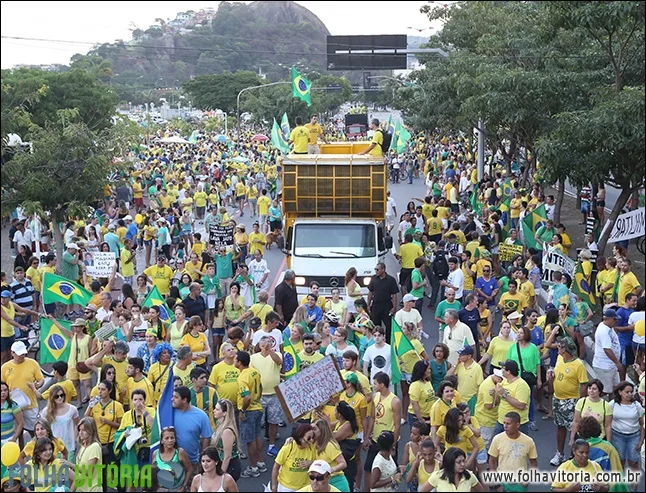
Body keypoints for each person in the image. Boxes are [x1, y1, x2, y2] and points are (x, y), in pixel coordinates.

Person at [547, 337, 588, 467]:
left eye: (560, 346)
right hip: (558, 399)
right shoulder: (559, 359)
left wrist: (580, 403)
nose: (557, 347)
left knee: (574, 430)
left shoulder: (578, 365)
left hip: (572, 401)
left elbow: (583, 385)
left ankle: (572, 456)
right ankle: (560, 453)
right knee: (560, 426)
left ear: (565, 349)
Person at [363, 373, 401, 492]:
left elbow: (397, 424)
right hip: (375, 440)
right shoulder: (375, 396)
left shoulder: (394, 401)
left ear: (382, 385)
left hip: (388, 441)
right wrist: (367, 437)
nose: (373, 385)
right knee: (368, 468)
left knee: (391, 470)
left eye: (375, 383)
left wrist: (393, 444)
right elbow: (373, 418)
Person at [1, 341, 44, 436]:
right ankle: (21, 449)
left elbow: (41, 379)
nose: (22, 356)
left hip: (30, 404)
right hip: (12, 405)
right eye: (19, 354)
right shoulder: (5, 367)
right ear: (12, 353)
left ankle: (36, 448)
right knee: (18, 431)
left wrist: (38, 385)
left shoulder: (32, 363)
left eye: (23, 354)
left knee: (35, 430)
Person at [488, 411, 538, 493]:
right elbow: (492, 461)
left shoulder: (528, 441)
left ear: (517, 425)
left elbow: (533, 463)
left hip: (520, 484)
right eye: (504, 423)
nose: (505, 426)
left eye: (508, 423)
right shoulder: (497, 439)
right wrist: (496, 484)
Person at [251, 335, 283, 458]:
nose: (267, 345)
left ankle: (271, 445)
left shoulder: (277, 355)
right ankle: (257, 445)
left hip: (274, 394)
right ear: (259, 345)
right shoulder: (253, 358)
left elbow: (279, 362)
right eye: (264, 343)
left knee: (274, 421)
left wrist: (269, 351)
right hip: (259, 395)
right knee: (258, 421)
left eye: (269, 343)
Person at [236, 351, 266, 478]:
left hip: (249, 411)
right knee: (257, 435)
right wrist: (257, 400)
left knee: (250, 440)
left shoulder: (242, 377)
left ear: (240, 362)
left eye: (236, 359)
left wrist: (242, 411)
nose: (234, 361)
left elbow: (246, 397)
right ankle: (260, 462)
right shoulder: (255, 371)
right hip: (258, 407)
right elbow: (260, 388)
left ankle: (253, 468)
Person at [609, 381, 644, 488]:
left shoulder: (637, 405)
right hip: (618, 436)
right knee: (620, 462)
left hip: (634, 436)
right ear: (620, 392)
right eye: (627, 392)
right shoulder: (612, 404)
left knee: (633, 463)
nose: (630, 394)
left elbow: (642, 424)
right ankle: (620, 487)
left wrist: (641, 441)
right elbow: (608, 423)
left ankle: (634, 488)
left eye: (631, 392)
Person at [172, 386, 214, 476]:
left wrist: (203, 457)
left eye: (176, 397)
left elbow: (207, 437)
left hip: (192, 462)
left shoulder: (201, 416)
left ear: (184, 400)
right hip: (172, 462)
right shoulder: (169, 413)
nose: (172, 399)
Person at [272, 424, 317, 492]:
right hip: (286, 487)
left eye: (313, 437)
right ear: (300, 438)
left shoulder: (312, 447)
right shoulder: (288, 447)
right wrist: (274, 486)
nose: (311, 440)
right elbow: (276, 466)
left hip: (305, 487)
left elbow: (319, 463)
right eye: (308, 438)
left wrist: (311, 463)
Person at [41, 384, 79, 462]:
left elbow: (78, 425)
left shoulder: (72, 409)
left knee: (68, 471)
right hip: (52, 447)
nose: (60, 398)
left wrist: (75, 439)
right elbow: (42, 426)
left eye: (62, 395)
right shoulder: (46, 411)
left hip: (69, 446)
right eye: (57, 396)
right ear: (52, 397)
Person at [421, 446, 485, 492]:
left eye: (463, 461)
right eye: (458, 462)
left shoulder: (470, 476)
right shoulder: (437, 476)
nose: (462, 464)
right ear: (450, 463)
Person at [494, 360, 531, 436]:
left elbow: (521, 406)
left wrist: (504, 394)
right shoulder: (504, 381)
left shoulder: (521, 385)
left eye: (503, 368)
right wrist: (495, 394)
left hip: (516, 425)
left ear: (508, 372)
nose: (501, 370)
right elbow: (497, 402)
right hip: (501, 421)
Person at [152, 425, 192, 492]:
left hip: (177, 489)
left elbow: (189, 469)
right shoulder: (155, 454)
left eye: (172, 438)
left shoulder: (180, 452)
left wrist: (184, 487)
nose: (170, 440)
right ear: (161, 440)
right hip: (161, 489)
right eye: (166, 438)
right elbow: (153, 472)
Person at [593, 309, 623, 397]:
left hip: (610, 365)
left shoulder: (608, 327)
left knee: (616, 389)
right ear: (608, 319)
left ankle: (611, 408)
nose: (616, 321)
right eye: (614, 319)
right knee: (604, 390)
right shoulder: (603, 331)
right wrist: (617, 363)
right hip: (604, 366)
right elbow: (607, 349)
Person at [367, 263, 399, 342]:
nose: (376, 271)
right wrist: (368, 304)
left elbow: (394, 294)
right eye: (375, 269)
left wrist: (394, 307)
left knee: (389, 325)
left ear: (383, 269)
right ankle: (377, 341)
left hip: (387, 305)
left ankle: (388, 342)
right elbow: (370, 292)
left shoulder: (391, 280)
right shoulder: (374, 279)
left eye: (377, 269)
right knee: (375, 325)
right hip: (376, 305)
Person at [212, 398, 242, 481]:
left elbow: (227, 456)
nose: (214, 411)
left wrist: (221, 474)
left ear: (225, 413)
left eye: (217, 409)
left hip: (229, 466)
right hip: (221, 463)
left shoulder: (227, 431)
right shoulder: (220, 425)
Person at [447, 346, 483, 414]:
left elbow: (480, 386)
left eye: (462, 355)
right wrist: (456, 364)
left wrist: (477, 401)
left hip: (471, 400)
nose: (459, 356)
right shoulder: (460, 365)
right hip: (459, 399)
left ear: (469, 356)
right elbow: (447, 376)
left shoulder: (477, 368)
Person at [76, 417, 103, 492]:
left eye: (83, 430)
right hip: (81, 488)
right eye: (79, 430)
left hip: (92, 489)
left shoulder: (95, 447)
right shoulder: (83, 446)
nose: (80, 432)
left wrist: (70, 465)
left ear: (91, 431)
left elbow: (88, 472)